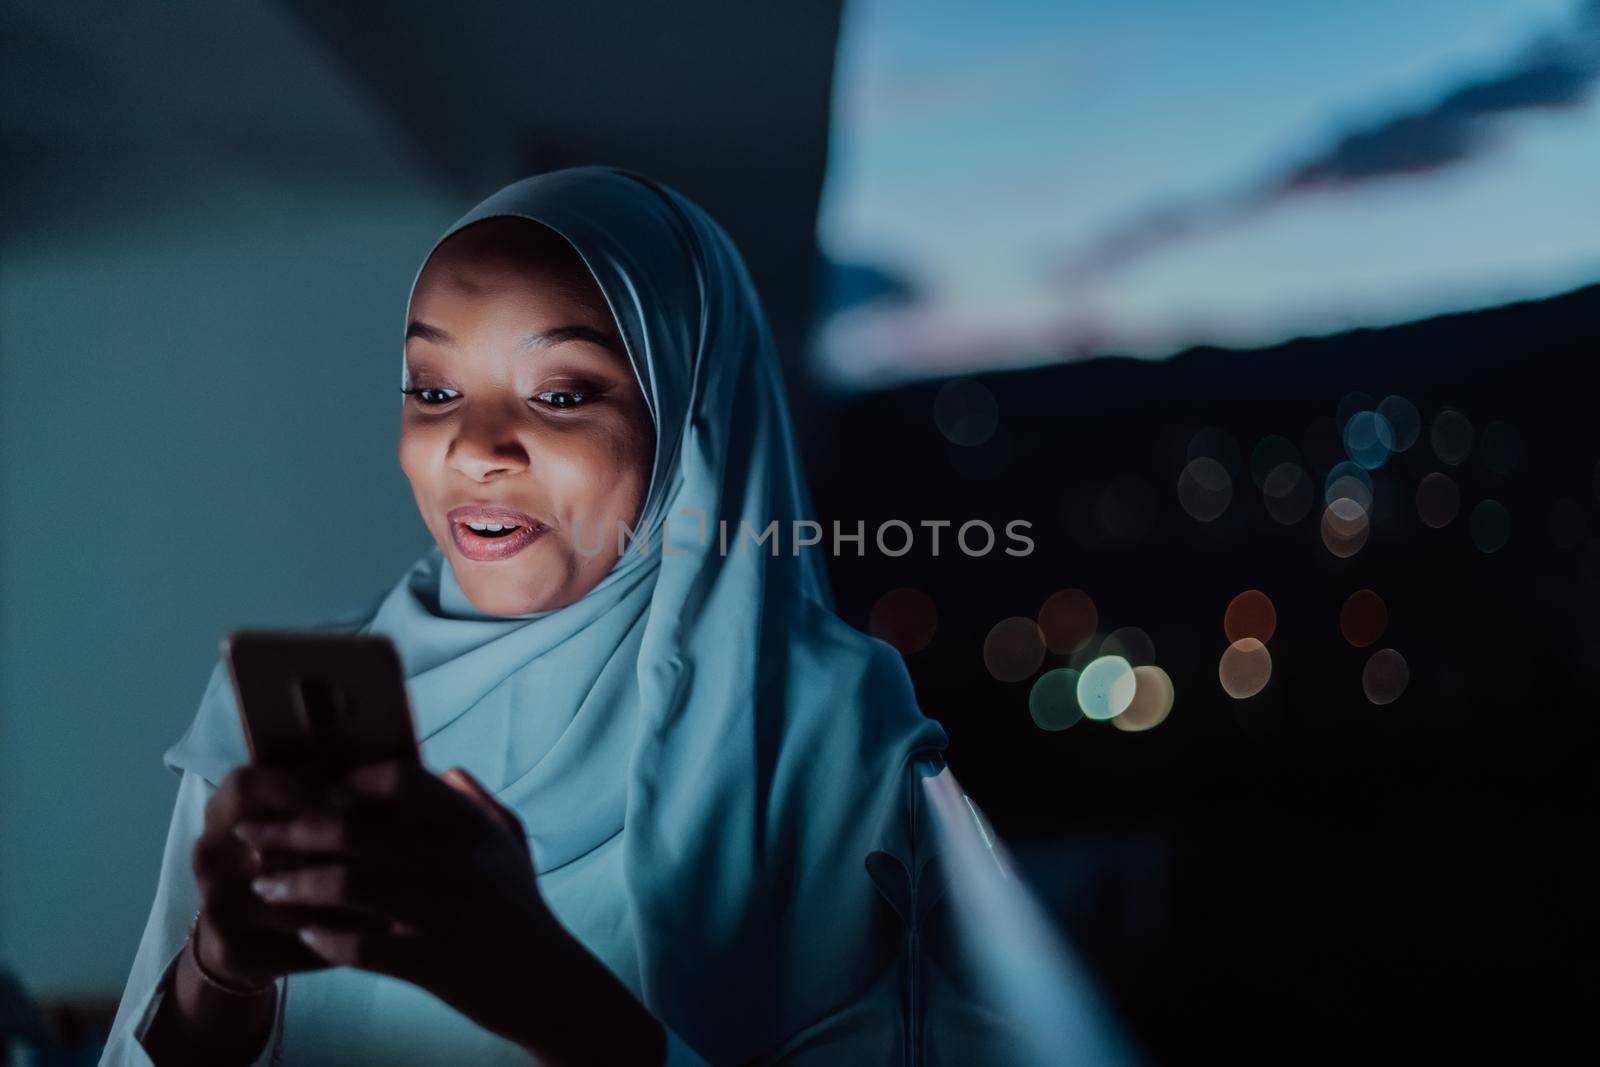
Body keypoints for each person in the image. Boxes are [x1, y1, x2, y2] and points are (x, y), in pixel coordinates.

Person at [99, 166, 1032, 1065]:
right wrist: (221, 975)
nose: (475, 447)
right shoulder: (283, 712)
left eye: (560, 395)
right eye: (433, 389)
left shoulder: (825, 721)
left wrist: (539, 988)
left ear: (688, 419)